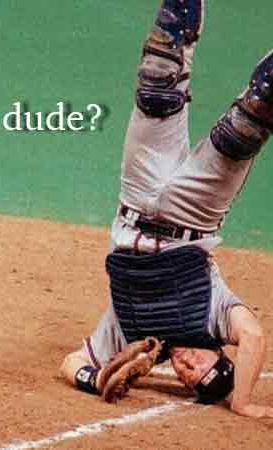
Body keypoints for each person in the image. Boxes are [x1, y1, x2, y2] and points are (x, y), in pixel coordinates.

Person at [60, 0, 273, 417]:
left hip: (136, 199)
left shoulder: (135, 338)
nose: (186, 365)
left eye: (185, 376)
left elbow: (71, 362)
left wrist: (95, 378)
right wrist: (242, 401)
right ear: (219, 355)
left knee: (156, 83)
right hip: (195, 213)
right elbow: (254, 336)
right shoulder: (214, 319)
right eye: (200, 366)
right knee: (249, 123)